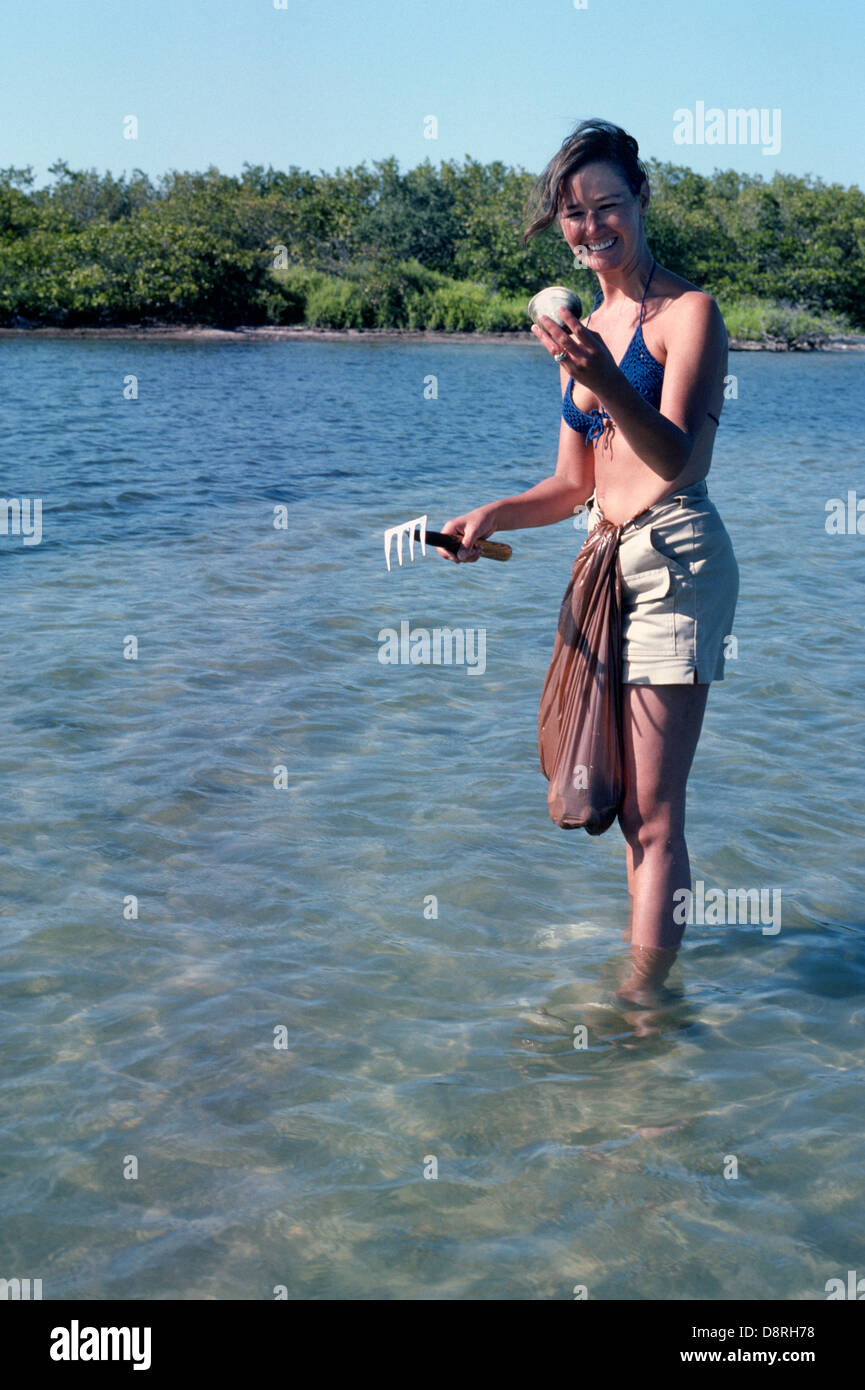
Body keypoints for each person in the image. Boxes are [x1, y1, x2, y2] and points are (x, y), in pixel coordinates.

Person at [437, 118, 739, 1003]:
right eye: (573, 212)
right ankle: (644, 979)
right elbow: (573, 486)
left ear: (640, 201)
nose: (590, 226)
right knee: (611, 804)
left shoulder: (689, 314)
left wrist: (605, 377)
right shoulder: (582, 327)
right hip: (600, 559)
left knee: (652, 812)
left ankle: (642, 1012)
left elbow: (679, 457)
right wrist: (491, 512)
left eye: (607, 204)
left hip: (676, 555)